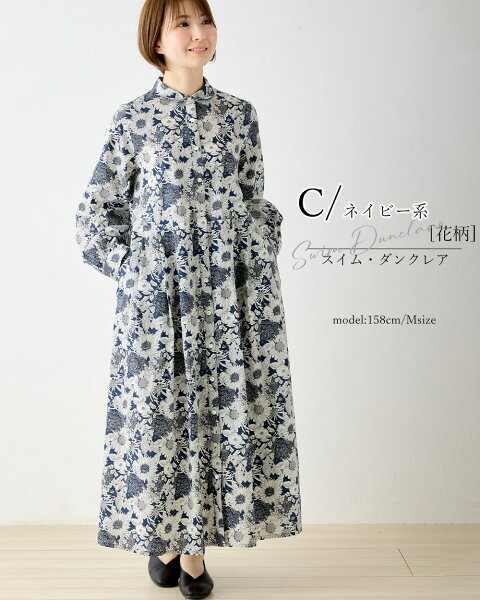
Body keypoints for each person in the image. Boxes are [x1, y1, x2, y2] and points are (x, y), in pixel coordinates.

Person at [75, 0, 302, 597]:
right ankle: (166, 539)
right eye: (182, 23)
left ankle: (194, 553)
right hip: (159, 304)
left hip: (231, 295)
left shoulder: (239, 115)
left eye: (205, 21)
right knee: (163, 417)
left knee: (220, 413)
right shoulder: (133, 119)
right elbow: (96, 213)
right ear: (157, 39)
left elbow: (254, 198)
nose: (198, 33)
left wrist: (258, 248)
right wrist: (134, 269)